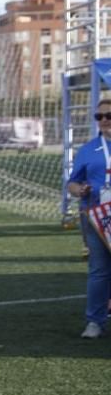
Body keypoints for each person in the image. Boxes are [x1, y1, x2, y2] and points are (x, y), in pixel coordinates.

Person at [68, 98, 111, 338]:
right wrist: (78, 190)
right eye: (100, 116)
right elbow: (72, 183)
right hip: (96, 217)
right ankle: (95, 321)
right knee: (99, 270)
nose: (104, 120)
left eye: (109, 115)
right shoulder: (88, 149)